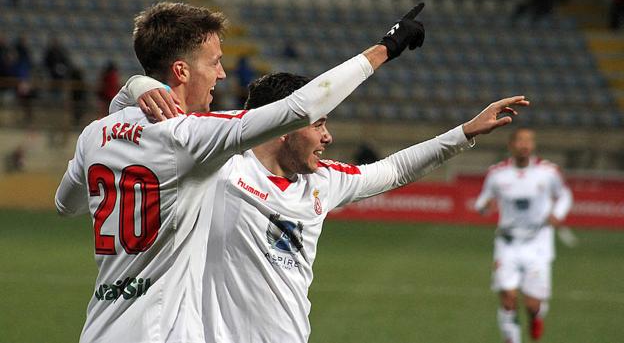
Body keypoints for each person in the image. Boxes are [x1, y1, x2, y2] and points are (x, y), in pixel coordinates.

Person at [55, 1, 427, 343]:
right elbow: (299, 108)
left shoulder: (94, 135)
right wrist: (386, 48)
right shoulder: (192, 136)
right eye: (213, 62)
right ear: (181, 70)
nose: (221, 73)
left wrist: (132, 88)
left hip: (99, 330)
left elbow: (65, 204)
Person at [125, 71, 529, 342]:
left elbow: (393, 170)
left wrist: (464, 133)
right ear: (281, 126)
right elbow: (145, 121)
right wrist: (137, 85)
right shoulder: (221, 168)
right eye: (318, 123)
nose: (328, 136)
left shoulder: (325, 181)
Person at [474, 127, 572, 343]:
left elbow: (564, 195)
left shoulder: (548, 172)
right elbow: (481, 201)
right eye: (520, 141)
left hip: (537, 243)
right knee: (508, 298)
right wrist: (485, 207)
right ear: (511, 145)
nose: (524, 145)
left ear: (534, 145)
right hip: (507, 242)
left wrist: (557, 213)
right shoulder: (497, 174)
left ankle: (536, 316)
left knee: (532, 304)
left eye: (528, 141)